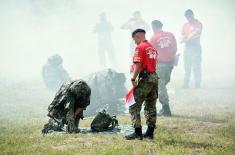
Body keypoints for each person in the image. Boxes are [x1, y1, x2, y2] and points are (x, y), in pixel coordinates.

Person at [125, 29, 158, 140]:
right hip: (154, 78)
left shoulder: (140, 48)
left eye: (135, 39)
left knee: (133, 105)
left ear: (138, 36)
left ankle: (137, 133)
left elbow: (138, 65)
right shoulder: (152, 48)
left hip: (145, 78)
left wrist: (133, 78)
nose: (135, 42)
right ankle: (150, 132)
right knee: (150, 106)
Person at [150, 20, 177, 116]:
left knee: (160, 86)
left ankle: (166, 110)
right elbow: (175, 48)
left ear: (154, 27)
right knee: (163, 83)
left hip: (160, 64)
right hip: (170, 64)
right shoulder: (170, 34)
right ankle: (164, 108)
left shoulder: (153, 38)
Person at [181, 9, 203, 88]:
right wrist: (182, 39)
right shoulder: (185, 25)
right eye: (187, 17)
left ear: (192, 15)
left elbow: (195, 34)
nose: (188, 18)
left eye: (189, 16)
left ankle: (197, 84)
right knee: (187, 66)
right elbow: (182, 35)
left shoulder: (198, 23)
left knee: (196, 66)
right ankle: (186, 84)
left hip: (195, 47)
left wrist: (186, 39)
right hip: (187, 48)